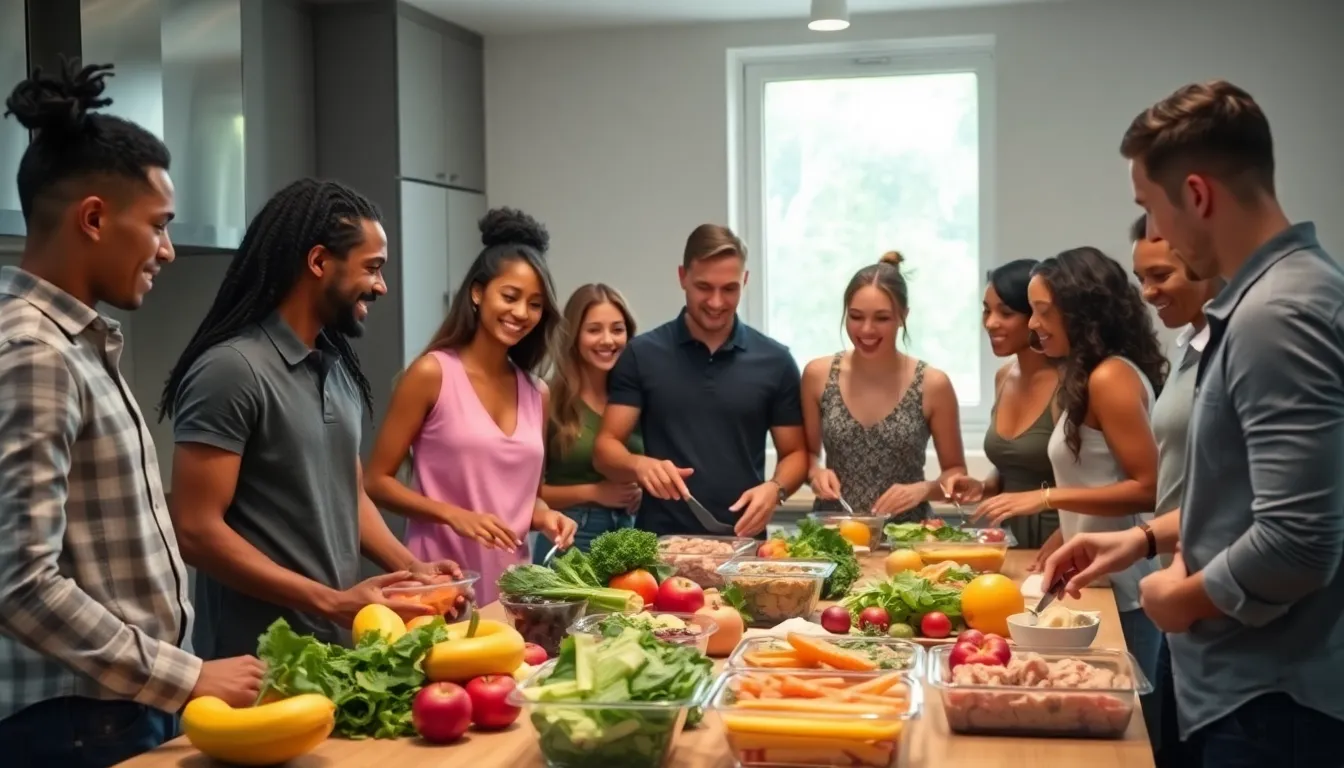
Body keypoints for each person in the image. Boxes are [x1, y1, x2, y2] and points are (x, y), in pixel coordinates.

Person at [1046, 80, 1344, 767]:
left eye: (1151, 209)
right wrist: (1142, 538)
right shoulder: (1272, 301)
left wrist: (1181, 600)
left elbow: (1299, 540)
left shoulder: (1279, 313)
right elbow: (1245, 496)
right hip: (1244, 691)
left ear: (1199, 196)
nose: (1156, 234)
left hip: (1270, 702)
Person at [0, 60, 262, 767]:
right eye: (159, 226)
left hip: (114, 712)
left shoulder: (72, 344)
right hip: (73, 726)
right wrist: (190, 675)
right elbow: (19, 582)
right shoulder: (35, 352)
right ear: (93, 218)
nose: (168, 251)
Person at [160, 178, 462, 660]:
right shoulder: (232, 369)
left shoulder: (337, 368)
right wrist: (333, 602)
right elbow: (195, 531)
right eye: (373, 268)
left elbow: (350, 493)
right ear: (320, 262)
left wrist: (413, 570)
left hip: (338, 651)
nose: (382, 285)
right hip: (255, 665)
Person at [365, 208, 577, 605]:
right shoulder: (433, 374)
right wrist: (453, 514)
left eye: (534, 304)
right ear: (478, 293)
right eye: (510, 296)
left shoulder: (537, 393)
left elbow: (521, 496)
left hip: (514, 594)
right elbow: (376, 482)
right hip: (440, 587)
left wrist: (545, 515)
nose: (521, 313)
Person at [976, 247, 1166, 684]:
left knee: (1134, 730)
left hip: (1126, 588)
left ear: (1082, 312)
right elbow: (1104, 475)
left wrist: (1046, 497)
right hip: (1098, 579)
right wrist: (1069, 529)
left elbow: (1149, 488)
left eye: (1042, 312)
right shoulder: (1090, 375)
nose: (1034, 324)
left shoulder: (1109, 377)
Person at [593, 224, 809, 537]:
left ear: (745, 281)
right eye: (704, 287)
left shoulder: (776, 361)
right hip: (659, 544)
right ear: (682, 277)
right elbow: (605, 449)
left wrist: (775, 489)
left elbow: (795, 454)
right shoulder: (642, 355)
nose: (717, 302)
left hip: (743, 545)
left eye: (730, 288)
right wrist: (639, 465)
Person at [1130, 211, 1221, 765]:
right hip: (1180, 589)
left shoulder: (1244, 345)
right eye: (1141, 277)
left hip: (1212, 602)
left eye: (1161, 275)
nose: (1147, 292)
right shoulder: (1192, 344)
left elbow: (1270, 515)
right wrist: (1141, 541)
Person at [804, 251, 966, 522]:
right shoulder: (817, 375)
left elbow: (955, 473)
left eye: (881, 318)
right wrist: (816, 474)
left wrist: (923, 490)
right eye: (856, 317)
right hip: (834, 533)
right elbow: (808, 456)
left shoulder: (932, 384)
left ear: (903, 316)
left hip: (907, 537)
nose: (866, 329)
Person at [947, 259, 1060, 552]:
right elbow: (1015, 461)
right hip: (1011, 542)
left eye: (1006, 313)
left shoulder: (1070, 382)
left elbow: (1096, 478)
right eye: (986, 310)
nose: (990, 323)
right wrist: (984, 487)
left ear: (1035, 316)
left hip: (1060, 541)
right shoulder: (1004, 375)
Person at [533, 283, 644, 562]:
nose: (608, 340)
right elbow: (527, 495)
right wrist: (595, 492)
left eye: (617, 330)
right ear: (574, 336)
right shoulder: (548, 399)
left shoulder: (636, 403)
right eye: (594, 329)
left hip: (627, 535)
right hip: (569, 537)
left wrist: (639, 490)